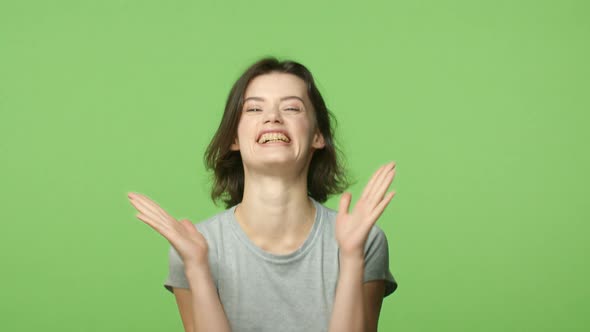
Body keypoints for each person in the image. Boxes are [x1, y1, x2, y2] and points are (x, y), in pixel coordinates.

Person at [127, 57, 398, 332]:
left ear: (318, 136)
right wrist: (197, 267)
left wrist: (351, 258)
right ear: (234, 138)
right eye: (255, 108)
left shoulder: (365, 241)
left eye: (292, 107)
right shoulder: (194, 247)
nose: (273, 117)